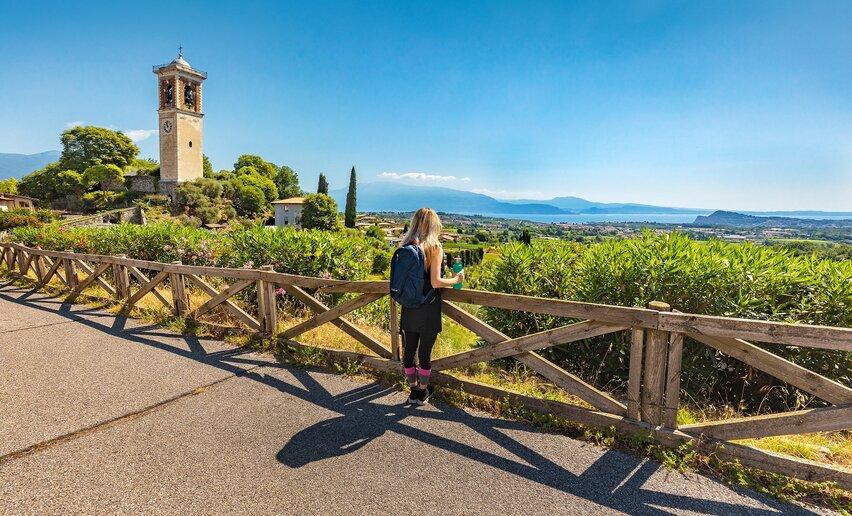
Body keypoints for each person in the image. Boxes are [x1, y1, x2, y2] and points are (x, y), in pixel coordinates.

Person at [398, 208, 464, 405]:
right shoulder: (434, 247)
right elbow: (435, 282)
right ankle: (423, 391)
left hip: (409, 306)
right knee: (424, 352)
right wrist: (456, 279)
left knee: (409, 351)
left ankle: (413, 391)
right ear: (433, 225)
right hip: (428, 307)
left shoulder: (405, 244)